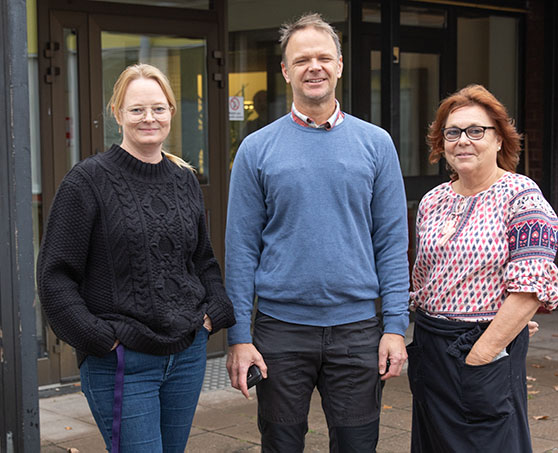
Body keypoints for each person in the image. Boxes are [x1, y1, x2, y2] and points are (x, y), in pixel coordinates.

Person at [225, 12, 410, 452]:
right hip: (280, 331)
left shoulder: (377, 144)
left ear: (340, 65)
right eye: (302, 59)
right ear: (285, 70)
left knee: (357, 445)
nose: (315, 67)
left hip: (358, 330)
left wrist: (396, 326)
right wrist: (239, 337)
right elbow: (240, 250)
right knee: (282, 444)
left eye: (324, 57)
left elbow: (391, 242)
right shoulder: (256, 149)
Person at [37, 63, 235, 453]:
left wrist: (213, 314)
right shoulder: (87, 181)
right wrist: (98, 338)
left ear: (172, 113)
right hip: (123, 363)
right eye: (137, 109)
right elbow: (55, 276)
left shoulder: (184, 179)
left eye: (159, 108)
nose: (149, 118)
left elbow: (203, 261)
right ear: (117, 114)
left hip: (187, 355)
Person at [408, 84, 558, 452]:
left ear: (499, 139)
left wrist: (483, 353)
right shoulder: (432, 202)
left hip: (482, 350)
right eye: (453, 132)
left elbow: (531, 288)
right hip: (430, 348)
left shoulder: (522, 197)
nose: (463, 141)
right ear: (441, 143)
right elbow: (424, 280)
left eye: (476, 131)